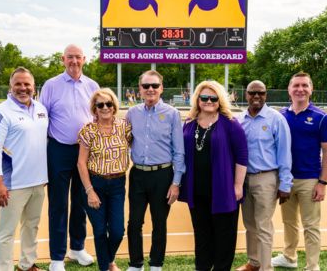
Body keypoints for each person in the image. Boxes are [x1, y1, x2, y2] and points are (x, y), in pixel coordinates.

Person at [178, 80, 248, 271]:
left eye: (213, 98)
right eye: (204, 97)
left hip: (223, 191)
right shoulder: (189, 123)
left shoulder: (231, 124)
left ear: (220, 100)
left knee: (224, 239)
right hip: (197, 191)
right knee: (202, 237)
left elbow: (242, 156)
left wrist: (238, 186)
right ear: (198, 100)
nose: (208, 101)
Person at [40, 44, 97, 271]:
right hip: (59, 150)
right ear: (63, 59)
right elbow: (42, 119)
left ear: (84, 59)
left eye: (78, 57)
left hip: (85, 151)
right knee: (58, 203)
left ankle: (77, 247)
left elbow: (98, 116)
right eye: (70, 57)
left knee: (81, 201)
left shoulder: (92, 85)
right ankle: (56, 257)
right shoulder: (51, 85)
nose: (74, 61)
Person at [0, 67, 49, 271]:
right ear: (10, 87)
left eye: (27, 84)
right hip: (13, 184)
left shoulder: (41, 109)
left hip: (38, 182)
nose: (23, 88)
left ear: (33, 87)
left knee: (31, 226)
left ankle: (27, 264)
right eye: (18, 84)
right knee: (6, 232)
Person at [273, 72, 327, 271]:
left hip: (310, 179)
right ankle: (289, 257)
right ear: (289, 90)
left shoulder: (322, 118)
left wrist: (322, 183)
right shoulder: (280, 116)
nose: (300, 89)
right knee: (288, 222)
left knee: (311, 226)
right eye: (296, 85)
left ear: (311, 89)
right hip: (285, 180)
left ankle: (312, 266)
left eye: (305, 86)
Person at [125, 70, 185, 271]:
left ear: (161, 89)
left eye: (155, 86)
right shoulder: (132, 113)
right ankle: (136, 264)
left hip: (163, 175)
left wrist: (175, 183)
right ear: (139, 89)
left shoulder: (172, 114)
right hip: (138, 174)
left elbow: (179, 151)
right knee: (134, 222)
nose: (150, 89)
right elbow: (122, 143)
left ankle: (156, 264)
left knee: (159, 223)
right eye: (146, 86)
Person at [236, 80, 293, 271]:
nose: (256, 96)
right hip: (244, 179)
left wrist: (285, 184)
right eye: (252, 92)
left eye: (260, 93)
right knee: (249, 224)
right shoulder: (239, 119)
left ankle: (266, 268)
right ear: (246, 94)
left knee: (263, 226)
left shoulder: (275, 119)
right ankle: (254, 262)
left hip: (266, 178)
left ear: (266, 95)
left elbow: (284, 152)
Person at [77, 88, 132, 271]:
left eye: (108, 103)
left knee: (117, 231)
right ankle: (106, 266)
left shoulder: (124, 127)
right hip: (95, 184)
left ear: (114, 106)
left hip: (117, 184)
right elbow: (81, 163)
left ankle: (109, 261)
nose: (105, 107)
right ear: (95, 108)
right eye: (100, 104)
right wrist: (89, 191)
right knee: (100, 231)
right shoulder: (88, 131)